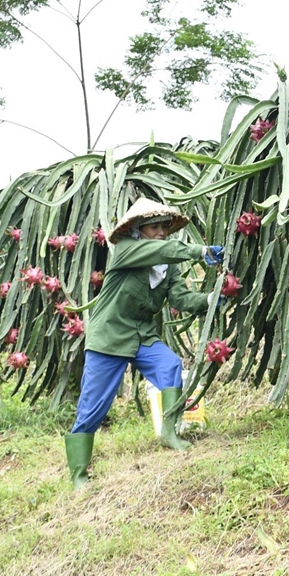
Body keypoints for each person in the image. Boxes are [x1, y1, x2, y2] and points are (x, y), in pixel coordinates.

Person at [63, 198, 225, 489]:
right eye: (154, 227)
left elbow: (180, 298)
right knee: (93, 407)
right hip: (109, 337)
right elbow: (163, 249)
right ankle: (79, 475)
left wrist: (209, 299)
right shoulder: (126, 250)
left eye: (165, 226)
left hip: (142, 335)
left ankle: (169, 432)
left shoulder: (168, 264)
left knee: (170, 365)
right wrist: (199, 251)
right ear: (138, 230)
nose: (161, 232)